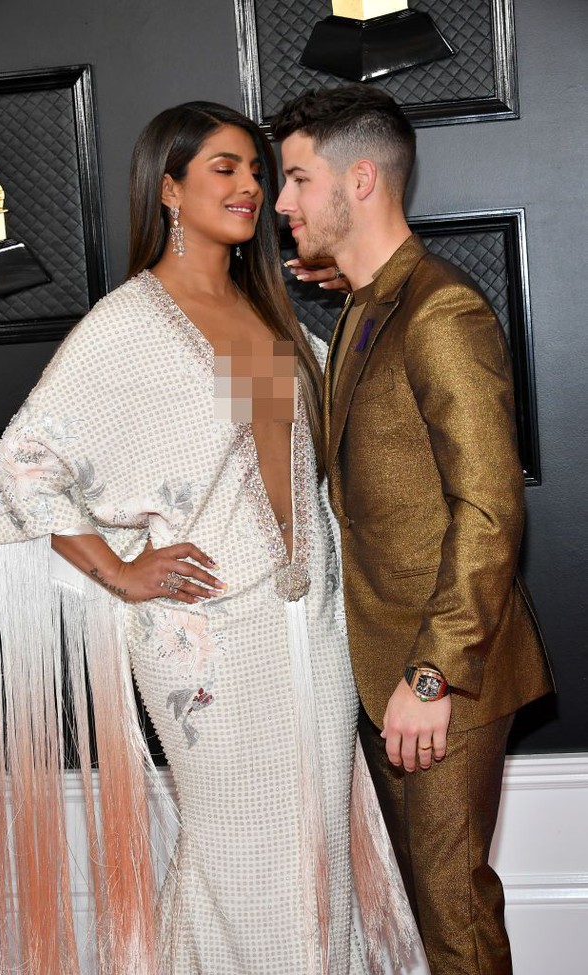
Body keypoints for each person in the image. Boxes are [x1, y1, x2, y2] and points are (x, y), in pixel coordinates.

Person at [0, 100, 419, 975]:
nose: (253, 185)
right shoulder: (129, 323)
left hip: (317, 629)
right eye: (226, 168)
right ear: (170, 188)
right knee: (239, 866)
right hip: (208, 642)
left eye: (259, 170)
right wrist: (121, 568)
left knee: (319, 857)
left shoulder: (272, 315)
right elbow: (21, 467)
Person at [272, 84, 554, 975]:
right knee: (437, 916)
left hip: (444, 679)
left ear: (360, 180)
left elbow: (490, 508)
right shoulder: (367, 304)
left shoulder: (441, 311)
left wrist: (432, 675)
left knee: (455, 922)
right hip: (389, 668)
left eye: (295, 179)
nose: (281, 203)